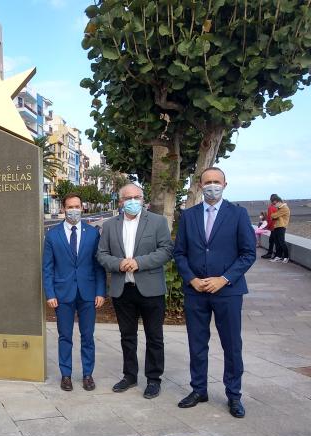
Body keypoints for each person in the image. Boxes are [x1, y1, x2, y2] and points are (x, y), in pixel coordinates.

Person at [173, 167, 256, 418]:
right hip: (196, 292)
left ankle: (234, 395)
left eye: (216, 182)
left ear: (225, 184)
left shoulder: (238, 214)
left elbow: (248, 253)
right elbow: (179, 253)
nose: (211, 186)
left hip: (227, 292)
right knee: (197, 344)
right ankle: (199, 389)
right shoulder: (189, 216)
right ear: (200, 185)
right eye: (207, 182)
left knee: (232, 345)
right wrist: (192, 279)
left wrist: (224, 279)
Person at [96, 183, 173, 399]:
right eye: (128, 198)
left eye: (136, 197)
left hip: (151, 289)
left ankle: (153, 379)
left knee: (154, 337)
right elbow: (101, 254)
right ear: (120, 202)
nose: (132, 201)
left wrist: (138, 262)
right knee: (127, 336)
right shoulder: (110, 225)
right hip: (123, 290)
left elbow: (166, 250)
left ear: (143, 199)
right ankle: (129, 376)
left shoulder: (157, 222)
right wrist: (119, 263)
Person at [42, 193, 106, 391]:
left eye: (77, 206)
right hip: (63, 294)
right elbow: (47, 268)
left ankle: (88, 374)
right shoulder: (53, 235)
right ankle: (66, 375)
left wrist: (100, 292)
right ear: (63, 209)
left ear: (82, 208)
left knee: (88, 336)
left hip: (88, 293)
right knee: (65, 336)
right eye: (70, 207)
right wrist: (50, 294)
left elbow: (99, 266)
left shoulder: (93, 233)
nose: (74, 210)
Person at [269, 194, 291, 264]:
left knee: (282, 242)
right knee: (277, 242)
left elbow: (273, 215)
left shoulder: (284, 208)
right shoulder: (279, 208)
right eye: (273, 203)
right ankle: (278, 256)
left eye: (274, 203)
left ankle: (286, 257)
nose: (274, 204)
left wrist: (274, 215)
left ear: (278, 201)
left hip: (282, 226)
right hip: (277, 226)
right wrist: (274, 216)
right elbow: (273, 217)